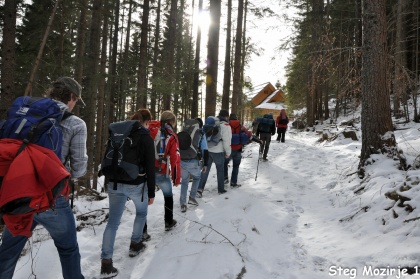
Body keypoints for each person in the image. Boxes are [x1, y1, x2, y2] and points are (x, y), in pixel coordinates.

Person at [0, 77, 88, 279]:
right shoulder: (75, 124)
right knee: (68, 249)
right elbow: (78, 169)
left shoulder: (25, 113)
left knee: (8, 252)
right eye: (76, 100)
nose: (75, 105)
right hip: (52, 198)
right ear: (72, 97)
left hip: (19, 193)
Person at [100, 109, 156, 278]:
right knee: (141, 212)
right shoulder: (145, 137)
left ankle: (106, 263)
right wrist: (151, 192)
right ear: (146, 122)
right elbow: (150, 167)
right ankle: (135, 243)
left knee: (112, 223)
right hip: (136, 185)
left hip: (115, 183)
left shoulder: (118, 133)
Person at [153, 111, 181, 230]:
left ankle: (142, 231)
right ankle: (168, 222)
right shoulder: (171, 136)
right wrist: (176, 178)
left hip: (146, 170)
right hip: (161, 170)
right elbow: (175, 159)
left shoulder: (151, 130)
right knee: (168, 196)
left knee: (143, 201)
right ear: (171, 121)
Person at [197, 109, 232, 197]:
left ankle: (199, 189)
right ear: (226, 117)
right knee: (220, 170)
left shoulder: (211, 123)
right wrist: (228, 152)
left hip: (208, 150)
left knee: (205, 170)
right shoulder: (225, 126)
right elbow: (226, 141)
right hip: (219, 151)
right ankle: (221, 189)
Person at [179, 118, 209, 212]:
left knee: (184, 181)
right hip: (194, 161)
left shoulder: (184, 132)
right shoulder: (200, 134)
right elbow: (205, 150)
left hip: (182, 160)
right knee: (197, 178)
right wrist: (205, 165)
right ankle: (192, 197)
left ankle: (183, 204)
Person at [224, 113, 260, 187]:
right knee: (236, 166)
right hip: (238, 149)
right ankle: (233, 183)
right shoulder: (240, 126)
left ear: (229, 118)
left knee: (225, 163)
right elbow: (249, 134)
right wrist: (258, 141)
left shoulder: (227, 125)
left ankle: (225, 178)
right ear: (236, 118)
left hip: (228, 149)